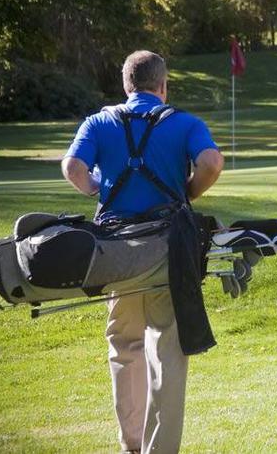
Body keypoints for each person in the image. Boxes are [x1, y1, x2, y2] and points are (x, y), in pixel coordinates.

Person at [62, 50, 223, 452]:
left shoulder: (99, 122)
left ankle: (131, 444)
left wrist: (97, 189)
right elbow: (211, 162)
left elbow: (72, 167)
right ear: (163, 86)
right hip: (168, 251)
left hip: (115, 252)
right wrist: (189, 191)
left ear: (126, 85)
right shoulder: (185, 122)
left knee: (123, 346)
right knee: (167, 349)